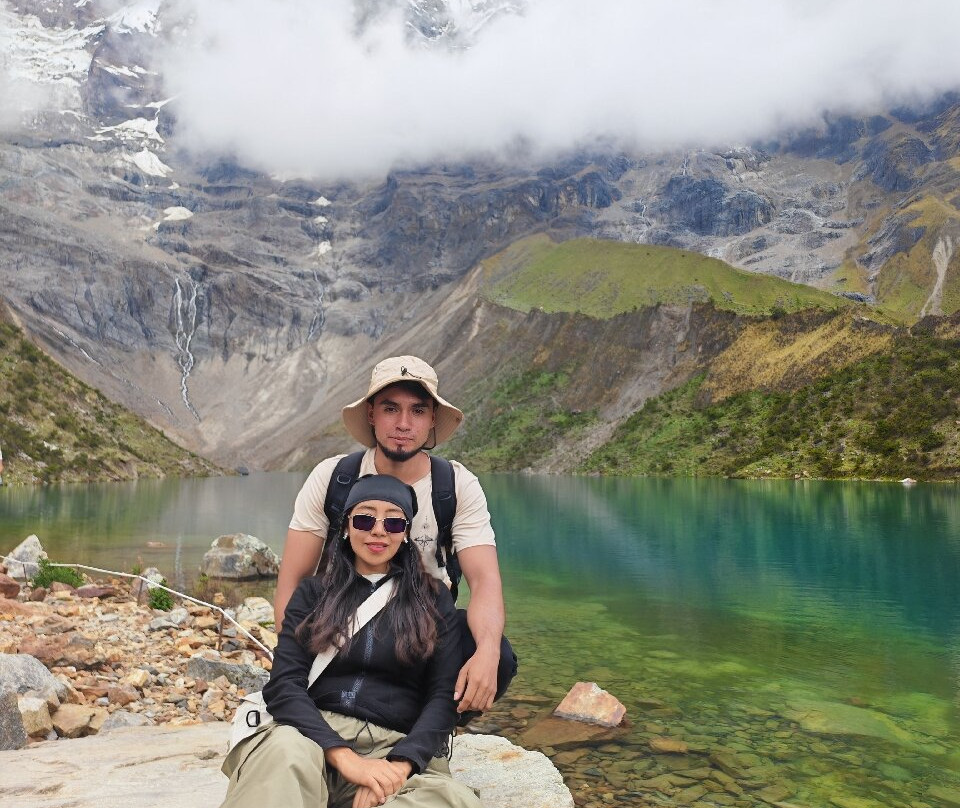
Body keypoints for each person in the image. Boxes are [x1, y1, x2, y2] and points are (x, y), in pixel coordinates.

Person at [220, 474, 480, 808]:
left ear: (405, 533)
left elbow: (443, 696)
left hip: (394, 745)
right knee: (284, 753)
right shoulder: (313, 593)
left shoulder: (433, 599)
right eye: (365, 519)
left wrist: (398, 767)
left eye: (393, 522)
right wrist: (346, 759)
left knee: (451, 800)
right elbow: (284, 685)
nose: (378, 531)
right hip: (310, 737)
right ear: (346, 526)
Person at [275, 355, 512, 718]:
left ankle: (425, 725)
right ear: (371, 414)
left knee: (498, 656)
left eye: (417, 410)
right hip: (341, 628)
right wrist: (290, 666)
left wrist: (488, 652)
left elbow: (484, 581)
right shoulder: (333, 478)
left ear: (432, 418)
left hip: (421, 631)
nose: (403, 424)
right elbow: (293, 579)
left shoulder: (456, 486)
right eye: (390, 408)